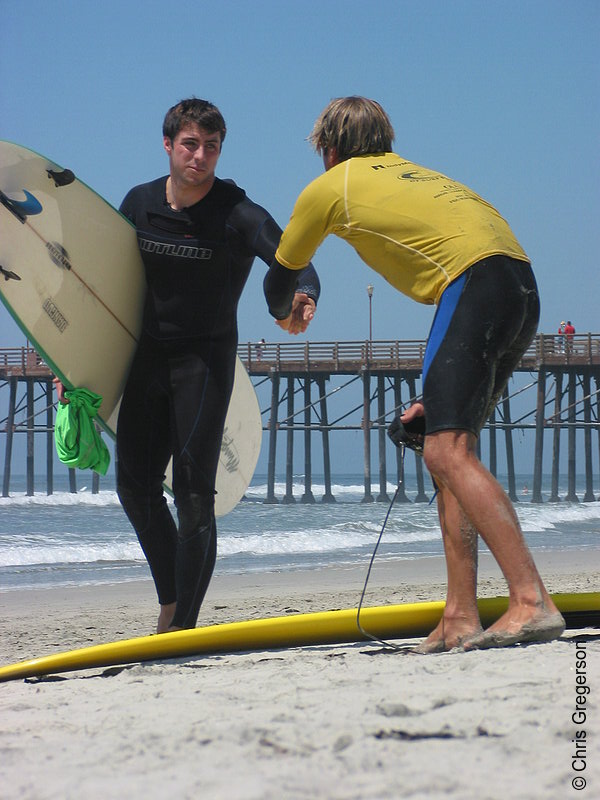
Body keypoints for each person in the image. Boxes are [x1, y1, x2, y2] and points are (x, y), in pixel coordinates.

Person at [264, 96, 564, 653]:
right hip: (518, 287)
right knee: (445, 443)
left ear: (327, 150)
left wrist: (290, 311)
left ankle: (531, 600)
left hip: (472, 285)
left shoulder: (333, 186)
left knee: (445, 451)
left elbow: (279, 279)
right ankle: (459, 614)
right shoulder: (424, 177)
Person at [116, 98, 320, 633]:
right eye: (190, 144)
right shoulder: (137, 205)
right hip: (146, 360)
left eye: (211, 147)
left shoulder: (236, 212)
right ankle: (171, 600)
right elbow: (101, 287)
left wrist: (303, 294)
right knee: (134, 486)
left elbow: (291, 255)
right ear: (168, 145)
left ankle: (180, 623)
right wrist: (76, 366)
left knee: (192, 494)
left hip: (203, 363)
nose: (200, 156)